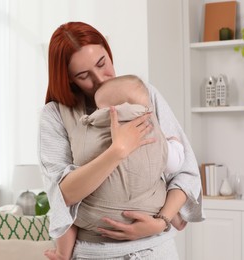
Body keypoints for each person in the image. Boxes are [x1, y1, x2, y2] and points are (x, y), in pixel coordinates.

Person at [39, 21, 204, 260]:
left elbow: (185, 170)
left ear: (108, 51)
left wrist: (162, 222)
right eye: (84, 75)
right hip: (94, 253)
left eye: (102, 63)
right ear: (69, 78)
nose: (100, 79)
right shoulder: (56, 114)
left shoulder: (142, 95)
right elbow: (63, 194)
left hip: (157, 248)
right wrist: (117, 150)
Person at [44, 74, 187, 260]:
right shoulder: (155, 134)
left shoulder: (88, 133)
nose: (97, 77)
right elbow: (176, 165)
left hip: (98, 221)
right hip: (148, 211)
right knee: (160, 186)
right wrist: (174, 144)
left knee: (67, 211)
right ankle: (175, 216)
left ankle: (62, 253)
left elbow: (64, 193)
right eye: (83, 74)